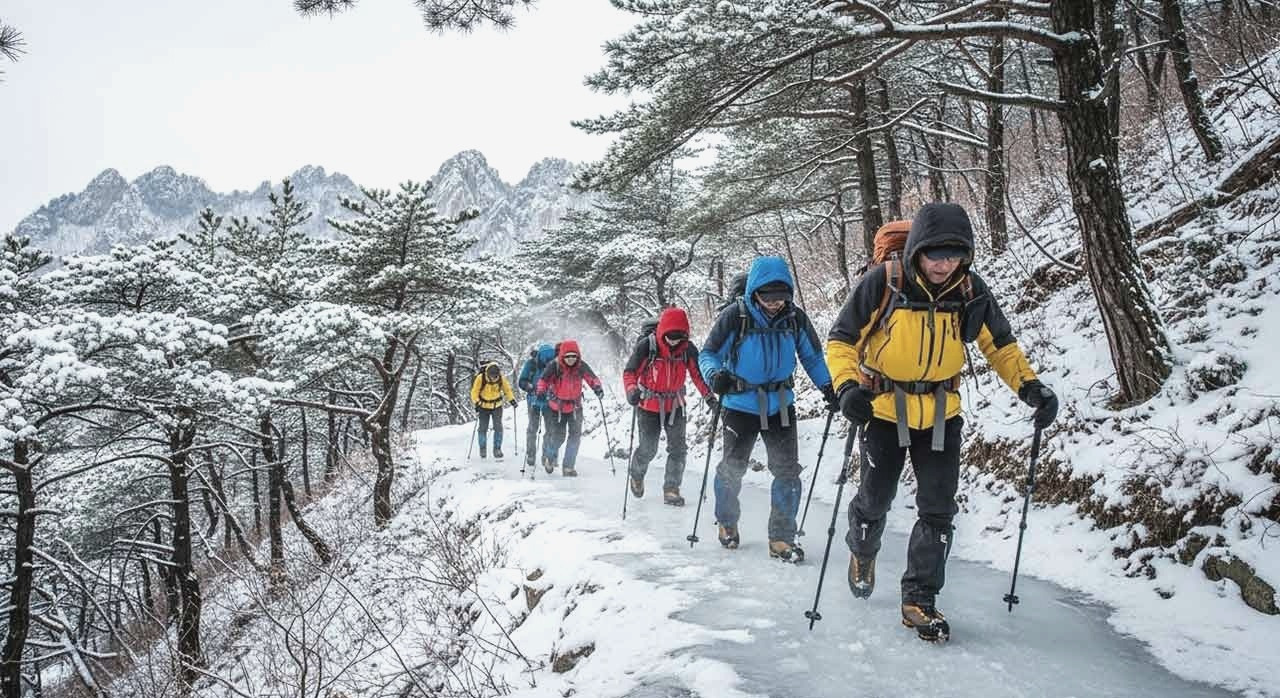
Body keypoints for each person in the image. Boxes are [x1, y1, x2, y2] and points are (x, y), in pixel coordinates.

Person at [826, 202, 1059, 643]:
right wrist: (846, 388)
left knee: (938, 508)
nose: (944, 264)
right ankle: (862, 547)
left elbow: (1001, 346)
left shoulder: (970, 290)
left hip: (941, 415)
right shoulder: (884, 283)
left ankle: (919, 599)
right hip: (882, 411)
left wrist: (1030, 387)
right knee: (875, 500)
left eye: (954, 256)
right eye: (936, 254)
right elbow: (841, 340)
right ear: (917, 251)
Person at [698, 256, 839, 563]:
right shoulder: (736, 316)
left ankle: (781, 538)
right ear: (754, 293)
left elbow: (812, 358)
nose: (775, 304)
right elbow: (708, 354)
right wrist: (715, 376)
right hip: (739, 405)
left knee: (788, 471)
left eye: (782, 297)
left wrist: (829, 388)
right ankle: (726, 519)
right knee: (732, 469)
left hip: (781, 405)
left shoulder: (795, 318)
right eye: (768, 297)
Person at [622, 307, 715, 507]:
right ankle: (637, 474)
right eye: (670, 336)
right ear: (662, 331)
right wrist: (631, 391)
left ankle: (672, 489)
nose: (673, 341)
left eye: (678, 337)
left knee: (679, 449)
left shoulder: (688, 349)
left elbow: (697, 376)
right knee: (648, 448)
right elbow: (630, 372)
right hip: (648, 405)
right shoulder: (647, 347)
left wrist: (709, 397)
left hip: (676, 405)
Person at [535, 340, 604, 476]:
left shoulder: (581, 366)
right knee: (559, 437)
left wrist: (597, 388)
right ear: (562, 356)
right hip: (557, 408)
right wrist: (541, 392)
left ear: (578, 356)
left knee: (575, 437)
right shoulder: (554, 366)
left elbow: (592, 378)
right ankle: (550, 456)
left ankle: (568, 467)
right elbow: (543, 380)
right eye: (568, 356)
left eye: (574, 356)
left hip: (575, 408)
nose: (571, 359)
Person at [518, 343, 557, 470]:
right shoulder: (531, 364)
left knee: (549, 429)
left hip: (550, 402)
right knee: (534, 428)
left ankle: (546, 456)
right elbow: (522, 381)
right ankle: (531, 454)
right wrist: (532, 388)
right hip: (534, 401)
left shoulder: (555, 365)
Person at [470, 361, 517, 459]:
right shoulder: (480, 378)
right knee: (482, 428)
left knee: (498, 427)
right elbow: (474, 392)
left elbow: (507, 390)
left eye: (496, 376)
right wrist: (477, 403)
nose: (494, 378)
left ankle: (497, 449)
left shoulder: (501, 378)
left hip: (497, 406)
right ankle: (482, 448)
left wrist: (512, 400)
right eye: (492, 376)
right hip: (483, 406)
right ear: (488, 374)